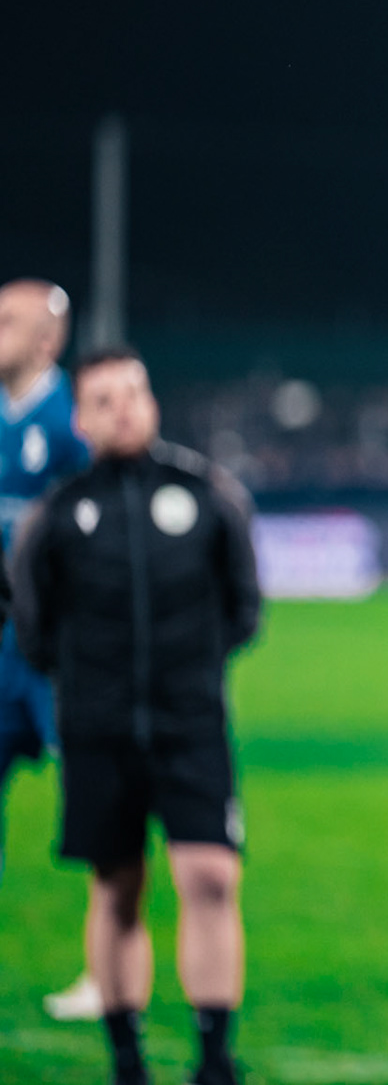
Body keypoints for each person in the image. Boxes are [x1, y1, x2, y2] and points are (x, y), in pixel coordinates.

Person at [10, 347, 261, 1085]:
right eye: (105, 400)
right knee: (116, 890)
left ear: (152, 400)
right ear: (81, 419)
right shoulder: (57, 515)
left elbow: (243, 609)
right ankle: (128, 1062)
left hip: (192, 727)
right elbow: (33, 624)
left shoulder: (208, 493)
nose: (125, 408)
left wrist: (189, 677)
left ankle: (215, 1059)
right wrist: (94, 688)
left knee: (211, 878)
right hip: (98, 732)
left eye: (136, 392)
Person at [0, 279, 96, 1019]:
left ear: (47, 339)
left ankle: (105, 973)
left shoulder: (75, 421)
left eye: (7, 321)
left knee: (99, 811)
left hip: (59, 655)